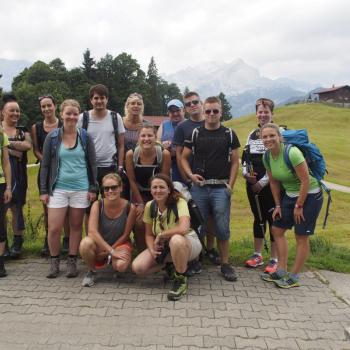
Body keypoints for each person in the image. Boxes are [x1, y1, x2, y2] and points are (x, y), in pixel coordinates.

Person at [181, 96, 240, 282]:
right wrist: (190, 176)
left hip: (220, 187)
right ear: (204, 112)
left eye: (215, 111)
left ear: (221, 112)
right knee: (199, 225)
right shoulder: (196, 133)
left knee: (222, 226)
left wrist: (230, 185)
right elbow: (183, 158)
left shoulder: (229, 134)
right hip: (200, 187)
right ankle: (196, 260)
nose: (212, 114)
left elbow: (235, 162)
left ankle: (225, 264)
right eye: (208, 111)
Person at [260, 123, 323, 288]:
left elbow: (305, 181)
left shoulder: (292, 153)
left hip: (310, 195)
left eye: (272, 136)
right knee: (277, 230)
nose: (268, 139)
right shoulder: (266, 157)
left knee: (301, 236)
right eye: (265, 137)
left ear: (279, 137)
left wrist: (299, 205)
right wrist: (278, 205)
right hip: (290, 195)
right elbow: (273, 182)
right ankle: (281, 270)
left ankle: (294, 276)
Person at [40, 99, 97, 278]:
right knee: (54, 227)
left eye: (75, 113)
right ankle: (55, 261)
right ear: (62, 114)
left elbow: (92, 164)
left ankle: (72, 261)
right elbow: (46, 165)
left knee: (75, 226)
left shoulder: (85, 136)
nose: (72, 117)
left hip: (81, 188)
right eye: (68, 113)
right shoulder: (53, 137)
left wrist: (93, 187)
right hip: (58, 188)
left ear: (78, 116)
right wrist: (43, 190)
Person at [132, 174, 202, 301]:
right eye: (155, 187)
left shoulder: (179, 202)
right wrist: (152, 249)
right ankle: (170, 266)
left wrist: (161, 234)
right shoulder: (150, 206)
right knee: (138, 268)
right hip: (165, 246)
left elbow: (183, 228)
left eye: (162, 187)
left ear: (169, 189)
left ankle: (181, 279)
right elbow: (148, 234)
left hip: (188, 243)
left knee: (176, 239)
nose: (158, 190)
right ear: (150, 189)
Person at [173, 91, 220, 274]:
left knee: (211, 217)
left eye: (195, 102)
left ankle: (210, 248)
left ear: (201, 103)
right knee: (193, 217)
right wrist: (186, 176)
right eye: (188, 104)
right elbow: (179, 154)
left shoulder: (211, 119)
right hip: (189, 179)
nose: (192, 105)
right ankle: (195, 254)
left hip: (212, 179)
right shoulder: (182, 127)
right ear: (185, 108)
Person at [79, 173, 136, 287]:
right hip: (100, 244)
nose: (110, 191)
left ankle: (115, 267)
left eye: (114, 187)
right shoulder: (97, 205)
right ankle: (92, 271)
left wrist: (109, 252)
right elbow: (92, 232)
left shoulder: (130, 207)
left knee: (121, 266)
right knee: (85, 243)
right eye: (106, 188)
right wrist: (110, 251)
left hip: (120, 244)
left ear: (121, 188)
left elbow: (125, 235)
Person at [242, 98, 278, 273]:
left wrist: (262, 182)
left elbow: (278, 162)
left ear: (272, 113)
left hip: (272, 186)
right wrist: (246, 175)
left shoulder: (279, 132)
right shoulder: (252, 134)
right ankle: (257, 255)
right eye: (260, 111)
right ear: (256, 113)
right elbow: (246, 158)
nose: (263, 114)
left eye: (266, 111)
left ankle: (274, 258)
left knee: (273, 220)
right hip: (253, 185)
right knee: (258, 219)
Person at [31, 94, 70, 257]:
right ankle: (49, 241)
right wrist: (49, 161)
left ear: (55, 106)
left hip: (65, 171)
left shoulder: (64, 124)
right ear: (41, 109)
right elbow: (36, 150)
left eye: (49, 105)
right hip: (46, 172)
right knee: (48, 207)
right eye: (43, 106)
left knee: (67, 208)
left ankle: (67, 240)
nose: (46, 109)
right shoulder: (36, 128)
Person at [125, 125, 171, 251]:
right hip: (139, 193)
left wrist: (157, 203)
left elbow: (164, 181)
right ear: (138, 139)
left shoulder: (163, 154)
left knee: (159, 218)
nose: (146, 139)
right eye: (143, 136)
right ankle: (142, 250)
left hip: (158, 192)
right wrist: (140, 203)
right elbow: (132, 181)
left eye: (150, 135)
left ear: (155, 137)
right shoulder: (131, 155)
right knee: (140, 221)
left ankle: (161, 250)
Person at [1, 95, 31, 258]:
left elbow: (27, 145)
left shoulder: (23, 130)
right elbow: (19, 150)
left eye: (18, 110)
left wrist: (5, 144)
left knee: (16, 207)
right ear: (3, 112)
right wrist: (13, 149)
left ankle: (17, 242)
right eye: (11, 110)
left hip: (19, 175)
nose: (15, 113)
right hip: (1, 174)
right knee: (1, 210)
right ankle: (3, 243)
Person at [78, 84, 125, 189]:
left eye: (102, 98)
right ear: (91, 100)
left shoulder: (116, 117)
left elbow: (121, 145)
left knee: (109, 201)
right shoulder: (82, 118)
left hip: (110, 167)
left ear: (107, 99)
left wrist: (120, 166)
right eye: (96, 98)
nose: (99, 101)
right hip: (88, 167)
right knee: (89, 201)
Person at [122, 93, 149, 199]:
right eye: (133, 103)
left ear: (142, 107)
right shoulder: (119, 122)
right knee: (123, 196)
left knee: (139, 197)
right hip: (122, 166)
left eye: (139, 104)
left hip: (140, 166)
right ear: (127, 106)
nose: (136, 106)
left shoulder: (146, 124)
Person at [157, 99, 185, 182]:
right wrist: (162, 145)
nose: (175, 113)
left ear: (183, 111)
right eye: (172, 111)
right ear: (168, 113)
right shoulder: (164, 124)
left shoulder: (188, 124)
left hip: (184, 162)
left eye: (178, 110)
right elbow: (157, 142)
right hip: (166, 162)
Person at [0, 126, 12, 276]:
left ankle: (0, 262)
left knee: (0, 223)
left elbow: (6, 162)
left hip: (0, 184)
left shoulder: (2, 136)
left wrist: (8, 187)